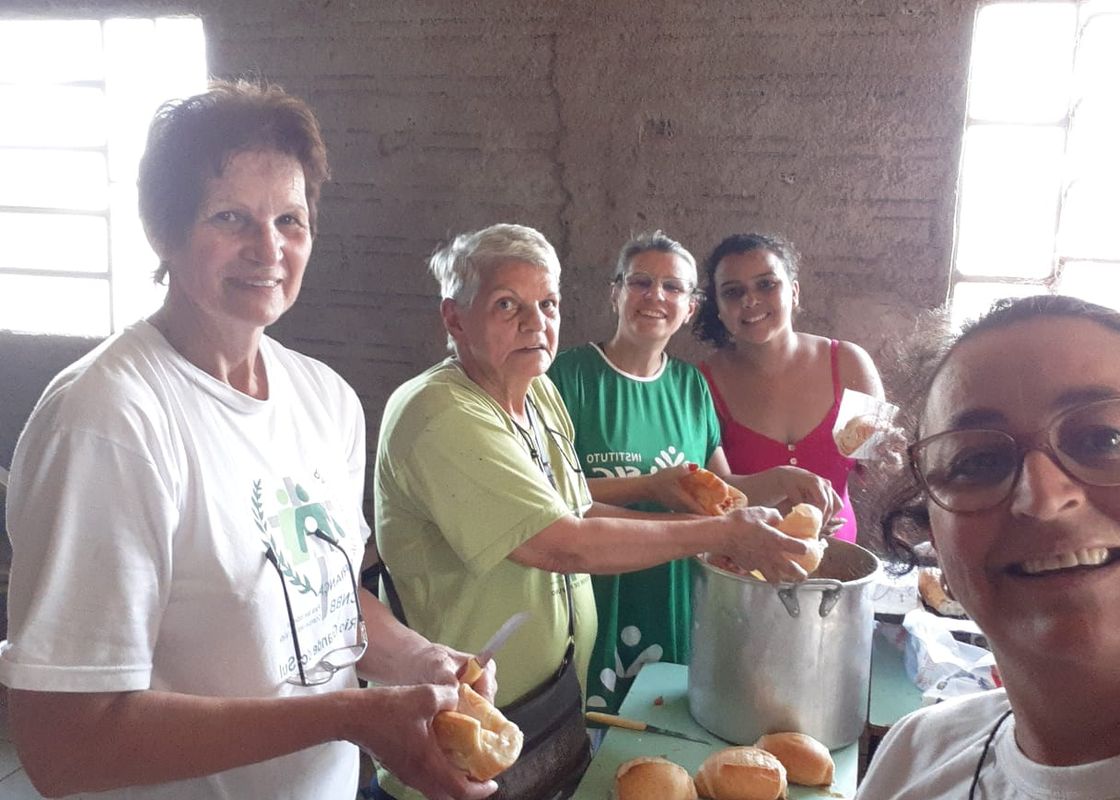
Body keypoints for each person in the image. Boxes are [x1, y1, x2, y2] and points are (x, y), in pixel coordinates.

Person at [0, 81, 496, 800]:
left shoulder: (324, 397)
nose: (268, 249)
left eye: (290, 220)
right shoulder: (109, 421)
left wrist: (421, 660)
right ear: (162, 232)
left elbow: (323, 592)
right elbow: (64, 744)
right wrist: (346, 716)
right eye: (231, 217)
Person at [373, 223, 824, 800]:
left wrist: (718, 533)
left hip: (548, 705)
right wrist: (719, 530)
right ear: (455, 318)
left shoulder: (537, 393)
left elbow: (581, 512)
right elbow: (560, 544)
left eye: (549, 303)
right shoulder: (440, 412)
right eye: (507, 304)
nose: (535, 323)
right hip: (464, 718)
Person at [856, 295, 1120, 800]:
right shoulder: (915, 760)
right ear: (935, 544)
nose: (1041, 498)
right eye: (977, 462)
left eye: (1104, 439)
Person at [547, 230, 841, 713]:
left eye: (673, 287)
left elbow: (724, 491)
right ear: (615, 292)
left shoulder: (690, 385)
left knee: (661, 726)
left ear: (690, 306)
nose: (655, 297)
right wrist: (652, 486)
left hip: (676, 585)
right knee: (587, 730)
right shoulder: (566, 377)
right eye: (641, 281)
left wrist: (780, 481)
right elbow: (550, 497)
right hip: (591, 582)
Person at [693, 233, 886, 542]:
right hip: (744, 565)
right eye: (733, 292)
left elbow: (875, 471)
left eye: (766, 284)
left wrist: (889, 455)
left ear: (794, 292)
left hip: (837, 560)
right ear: (718, 308)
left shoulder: (849, 364)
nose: (750, 300)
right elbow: (711, 495)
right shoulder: (701, 385)